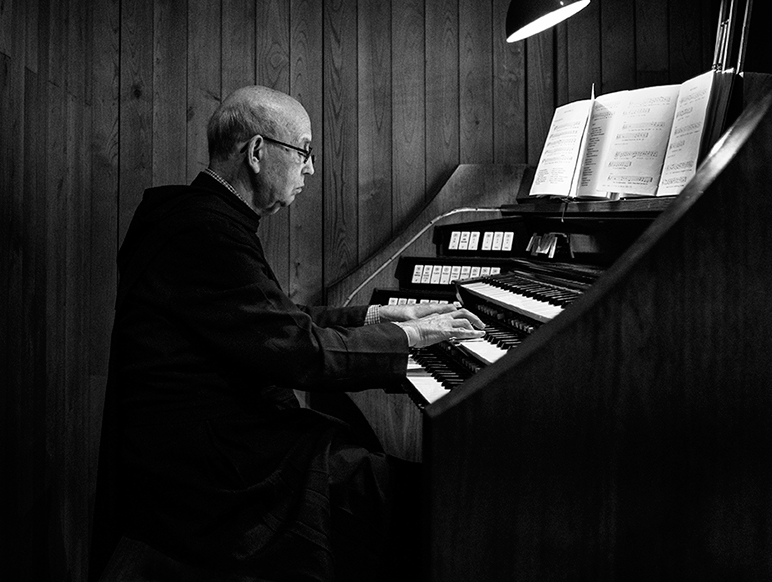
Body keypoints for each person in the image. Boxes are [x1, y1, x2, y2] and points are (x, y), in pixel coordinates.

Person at [96, 85, 484, 582]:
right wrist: (410, 340)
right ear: (257, 153)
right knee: (408, 497)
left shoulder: (198, 217)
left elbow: (270, 318)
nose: (311, 168)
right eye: (303, 151)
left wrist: (380, 319)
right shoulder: (205, 231)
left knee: (373, 470)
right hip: (210, 472)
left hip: (201, 445)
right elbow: (294, 349)